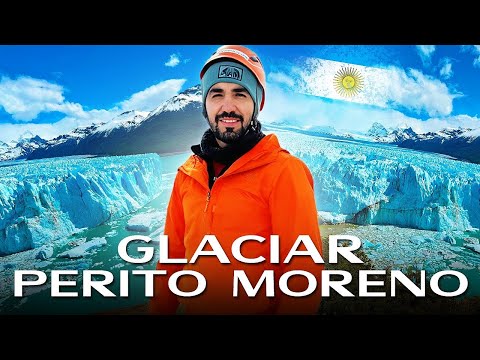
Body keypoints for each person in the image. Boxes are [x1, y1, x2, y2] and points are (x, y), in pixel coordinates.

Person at [150, 45, 323, 315]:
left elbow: (302, 274)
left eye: (240, 94)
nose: (227, 107)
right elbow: (171, 261)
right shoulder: (188, 175)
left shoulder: (284, 171)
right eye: (217, 94)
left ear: (257, 103)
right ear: (205, 103)